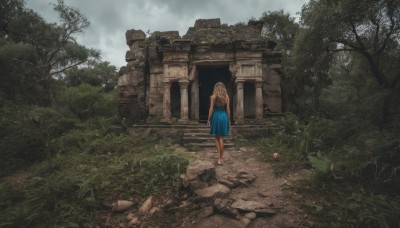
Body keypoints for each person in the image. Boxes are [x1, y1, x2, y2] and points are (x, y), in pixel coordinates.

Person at [207, 82, 231, 165]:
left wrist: (209, 119)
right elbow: (228, 110)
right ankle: (222, 158)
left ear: (215, 88)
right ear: (223, 88)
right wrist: (229, 120)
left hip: (216, 116)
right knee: (222, 138)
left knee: (216, 137)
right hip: (224, 116)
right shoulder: (226, 97)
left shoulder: (213, 97)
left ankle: (219, 158)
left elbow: (211, 109)